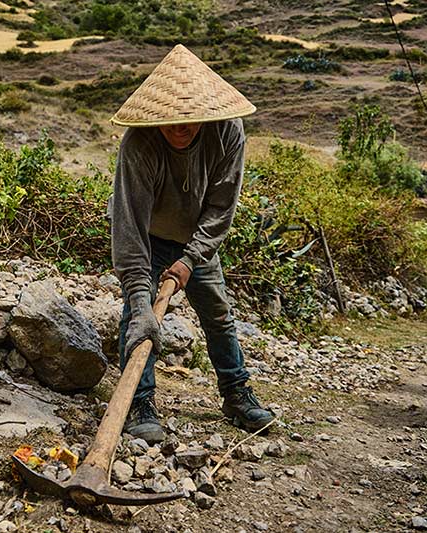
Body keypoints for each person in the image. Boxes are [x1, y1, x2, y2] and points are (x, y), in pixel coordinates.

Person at [109, 44, 273, 444]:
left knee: (218, 313)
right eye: (171, 122)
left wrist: (191, 260)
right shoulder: (139, 145)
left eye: (190, 121)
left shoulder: (228, 132)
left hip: (197, 239)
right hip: (146, 237)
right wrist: (139, 296)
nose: (180, 129)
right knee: (140, 317)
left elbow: (221, 208)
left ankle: (236, 394)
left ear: (206, 113)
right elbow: (128, 225)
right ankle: (139, 403)